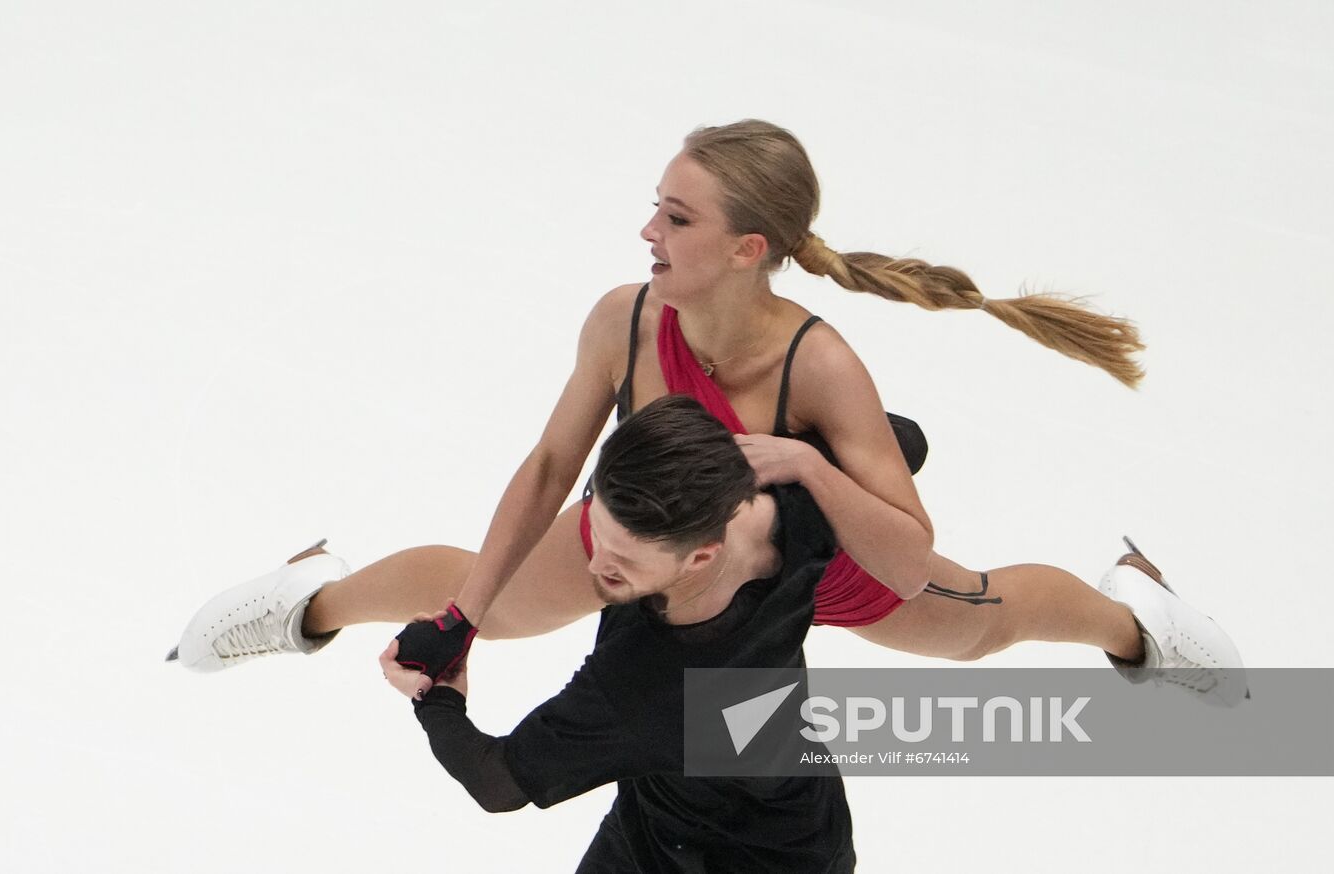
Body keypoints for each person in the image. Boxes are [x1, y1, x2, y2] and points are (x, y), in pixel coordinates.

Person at [168, 119, 1245, 705]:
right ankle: (306, 596)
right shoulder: (624, 320)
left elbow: (912, 553)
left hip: (806, 562)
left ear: (746, 248)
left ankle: (1135, 615)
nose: (646, 228)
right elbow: (551, 468)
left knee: (978, 630)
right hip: (648, 535)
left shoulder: (821, 367)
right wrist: (457, 622)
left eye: (674, 215)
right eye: (653, 203)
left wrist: (808, 470)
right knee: (484, 601)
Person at [383, 395, 855, 872]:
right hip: (752, 817)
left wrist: (435, 699)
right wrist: (806, 461)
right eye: (599, 532)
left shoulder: (640, 684)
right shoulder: (795, 511)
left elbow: (497, 784)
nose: (595, 564)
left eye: (623, 560)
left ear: (700, 556)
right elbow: (906, 440)